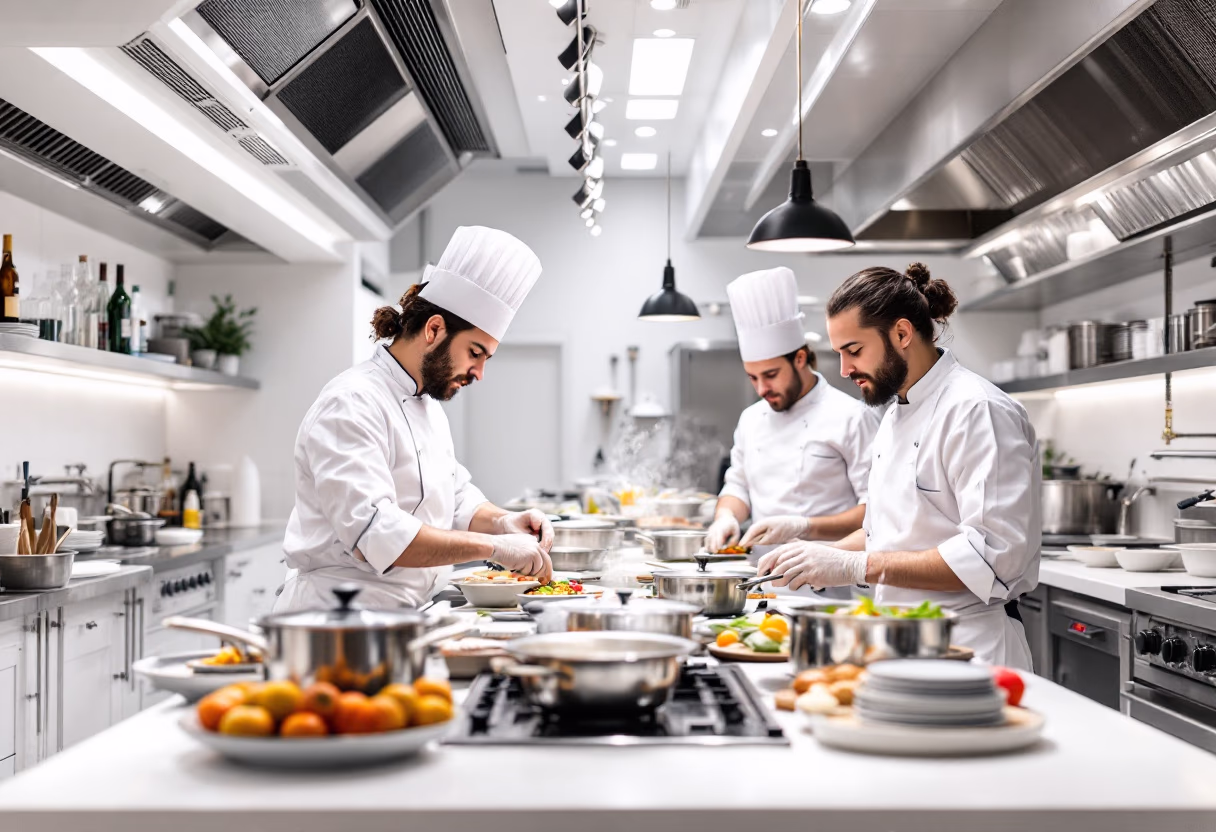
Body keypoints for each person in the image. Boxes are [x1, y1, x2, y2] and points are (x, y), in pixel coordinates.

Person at [758, 262, 1040, 669]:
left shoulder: (977, 411)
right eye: (839, 354)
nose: (844, 369)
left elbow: (990, 558)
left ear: (902, 333)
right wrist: (820, 557)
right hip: (901, 643)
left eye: (853, 351)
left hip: (969, 650)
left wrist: (855, 565)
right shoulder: (896, 414)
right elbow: (888, 533)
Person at [275, 226, 555, 612]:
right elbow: (376, 533)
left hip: (406, 612)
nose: (478, 373)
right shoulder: (351, 402)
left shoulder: (427, 404)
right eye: (475, 352)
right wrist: (494, 548)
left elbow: (454, 497)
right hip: (339, 621)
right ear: (434, 329)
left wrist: (504, 522)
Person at [704, 267, 878, 554]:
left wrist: (804, 526)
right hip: (760, 580)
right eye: (753, 377)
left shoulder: (852, 417)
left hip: (828, 585)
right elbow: (738, 486)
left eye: (770, 375)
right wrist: (727, 517)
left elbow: (874, 509)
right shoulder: (751, 419)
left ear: (800, 358)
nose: (761, 389)